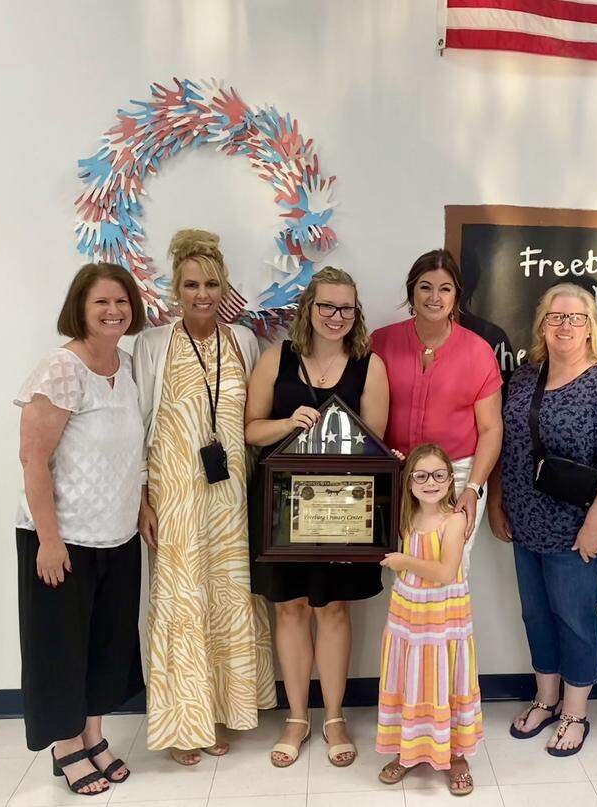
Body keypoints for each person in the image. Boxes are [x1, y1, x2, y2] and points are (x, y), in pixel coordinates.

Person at [133, 230, 276, 764]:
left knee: (228, 603)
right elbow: (138, 425)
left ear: (225, 286)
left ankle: (221, 713)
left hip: (230, 498)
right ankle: (183, 722)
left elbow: (251, 423)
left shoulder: (242, 342)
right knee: (181, 603)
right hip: (175, 497)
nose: (202, 294)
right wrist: (142, 499)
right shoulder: (151, 345)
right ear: (176, 289)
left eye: (212, 283)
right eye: (191, 284)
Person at [245, 266, 390, 768]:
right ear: (308, 308)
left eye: (346, 308)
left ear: (357, 313)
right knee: (288, 607)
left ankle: (333, 717)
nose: (336, 316)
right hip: (281, 510)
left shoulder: (370, 365)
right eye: (326, 306)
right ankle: (296, 717)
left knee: (332, 609)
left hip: (341, 512)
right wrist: (289, 423)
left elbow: (373, 446)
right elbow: (250, 432)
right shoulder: (275, 359)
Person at [488, 283, 597, 757]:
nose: (564, 326)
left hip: (579, 528)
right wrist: (497, 499)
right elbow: (505, 444)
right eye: (555, 317)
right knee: (536, 614)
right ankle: (546, 698)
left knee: (574, 617)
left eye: (575, 318)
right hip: (525, 523)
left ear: (591, 327)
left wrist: (595, 525)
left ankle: (576, 711)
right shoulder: (523, 379)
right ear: (541, 325)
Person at [15, 262, 146, 795]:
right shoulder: (60, 369)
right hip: (62, 539)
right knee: (60, 647)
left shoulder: (129, 363)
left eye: (121, 301)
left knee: (107, 643)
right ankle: (66, 746)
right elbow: (32, 460)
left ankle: (93, 732)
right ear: (81, 308)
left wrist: (138, 504)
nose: (114, 311)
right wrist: (48, 538)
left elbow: (130, 449)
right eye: (101, 303)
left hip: (117, 533)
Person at [371, 249, 503, 567]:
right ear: (411, 291)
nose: (435, 297)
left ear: (456, 295)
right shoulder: (381, 342)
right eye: (426, 287)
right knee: (403, 570)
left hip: (455, 476)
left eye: (445, 289)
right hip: (397, 473)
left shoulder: (477, 351)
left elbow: (491, 428)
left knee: (450, 573)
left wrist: (473, 487)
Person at [375, 444, 484, 795]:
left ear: (451, 480)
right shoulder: (406, 518)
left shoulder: (454, 520)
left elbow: (444, 571)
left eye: (439, 475)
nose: (430, 482)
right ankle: (409, 750)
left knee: (445, 681)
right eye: (420, 476)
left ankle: (456, 756)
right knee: (413, 679)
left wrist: (403, 562)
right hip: (410, 617)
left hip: (443, 619)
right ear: (408, 482)